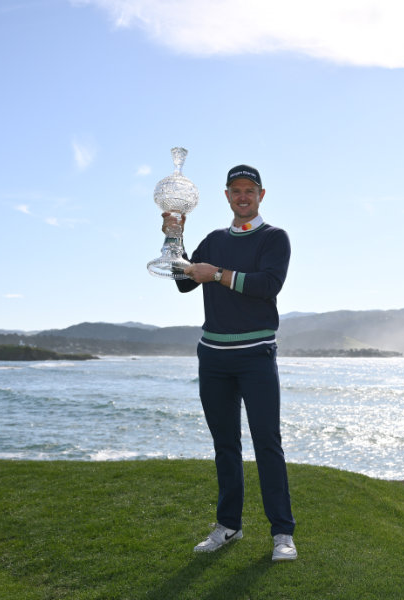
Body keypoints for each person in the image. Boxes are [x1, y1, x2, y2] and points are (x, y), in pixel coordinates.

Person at [162, 164, 296, 562]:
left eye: (249, 191)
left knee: (268, 444)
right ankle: (229, 526)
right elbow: (184, 280)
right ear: (226, 196)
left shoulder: (274, 238)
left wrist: (217, 274)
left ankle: (282, 533)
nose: (243, 196)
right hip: (214, 356)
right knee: (225, 445)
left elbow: (267, 286)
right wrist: (174, 238)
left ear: (260, 196)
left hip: (255, 354)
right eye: (236, 190)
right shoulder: (213, 239)